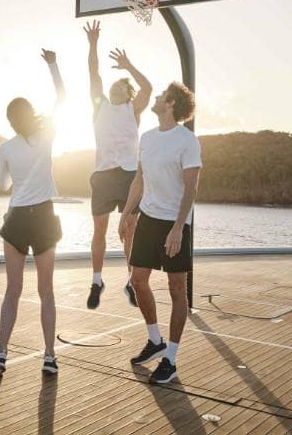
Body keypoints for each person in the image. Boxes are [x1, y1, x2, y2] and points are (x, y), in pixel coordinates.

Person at [0, 49, 65, 377]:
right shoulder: (46, 135)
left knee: (12, 291)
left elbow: (3, 184)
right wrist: (52, 64)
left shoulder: (5, 147)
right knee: (45, 291)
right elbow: (63, 98)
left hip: (16, 217)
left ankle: (1, 355)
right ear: (31, 113)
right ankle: (49, 356)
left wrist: (15, 175)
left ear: (9, 120)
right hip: (44, 217)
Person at [118, 82, 201, 385]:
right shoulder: (148, 138)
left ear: (172, 103)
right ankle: (155, 341)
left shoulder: (187, 140)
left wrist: (179, 227)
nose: (155, 97)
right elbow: (138, 180)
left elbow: (191, 187)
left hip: (175, 222)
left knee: (177, 288)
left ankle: (171, 359)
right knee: (138, 281)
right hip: (149, 219)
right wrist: (127, 214)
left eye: (160, 95)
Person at [83, 20, 151, 309]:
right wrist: (94, 43)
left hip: (128, 176)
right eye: (112, 87)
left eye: (119, 87)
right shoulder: (100, 106)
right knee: (100, 228)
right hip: (103, 175)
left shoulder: (132, 110)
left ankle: (131, 282)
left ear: (127, 93)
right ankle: (97, 281)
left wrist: (128, 66)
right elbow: (93, 72)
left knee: (130, 229)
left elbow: (147, 87)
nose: (113, 89)